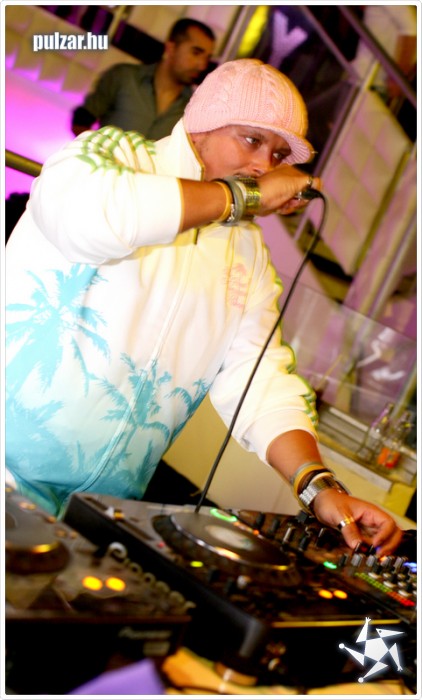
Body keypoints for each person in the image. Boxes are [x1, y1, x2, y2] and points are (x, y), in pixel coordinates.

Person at [6, 58, 402, 556]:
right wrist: (241, 196)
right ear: (202, 125)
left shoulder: (246, 252)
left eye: (278, 154)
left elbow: (258, 381)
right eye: (252, 140)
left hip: (99, 514)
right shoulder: (113, 158)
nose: (264, 166)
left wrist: (318, 487)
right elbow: (93, 217)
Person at [71, 17, 215, 139]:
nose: (202, 65)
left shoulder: (193, 109)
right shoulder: (124, 77)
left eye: (207, 58)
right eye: (196, 53)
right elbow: (80, 122)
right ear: (171, 48)